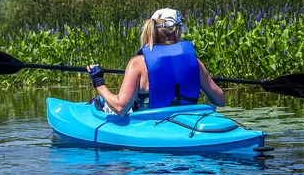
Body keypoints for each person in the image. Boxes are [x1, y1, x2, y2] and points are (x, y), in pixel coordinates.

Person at [87, 8, 225, 116]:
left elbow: (120, 108)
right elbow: (220, 100)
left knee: (99, 103)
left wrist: (98, 82)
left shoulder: (137, 64)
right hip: (186, 123)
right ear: (177, 33)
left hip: (149, 126)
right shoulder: (194, 62)